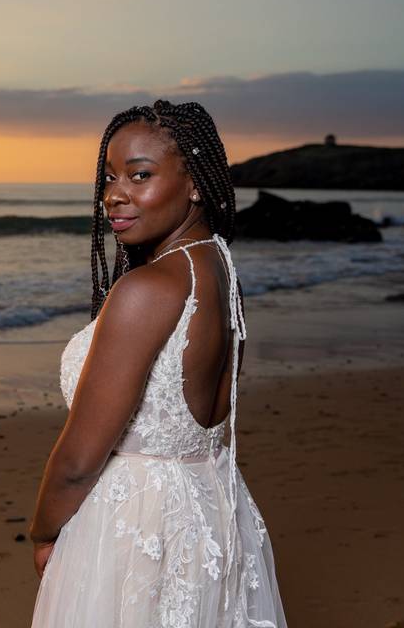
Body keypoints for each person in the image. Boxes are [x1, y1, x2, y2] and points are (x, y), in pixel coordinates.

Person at [28, 100, 288, 627]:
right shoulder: (217, 267)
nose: (114, 195)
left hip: (138, 526)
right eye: (109, 177)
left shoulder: (147, 289)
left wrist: (45, 532)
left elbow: (79, 460)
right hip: (210, 509)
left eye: (139, 175)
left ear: (195, 184)